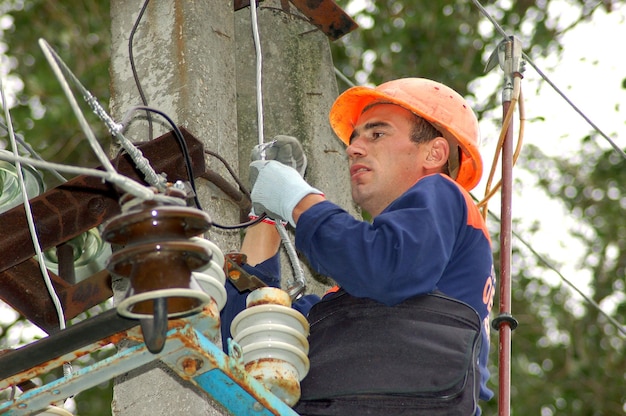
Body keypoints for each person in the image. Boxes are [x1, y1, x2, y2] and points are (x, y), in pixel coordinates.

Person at [221, 77, 496, 415]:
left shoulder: (442, 194)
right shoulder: (353, 306)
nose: (353, 149)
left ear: (434, 152)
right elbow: (250, 343)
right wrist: (266, 218)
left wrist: (299, 200)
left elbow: (383, 267)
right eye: (354, 139)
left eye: (376, 134)